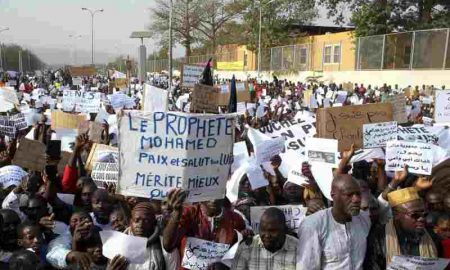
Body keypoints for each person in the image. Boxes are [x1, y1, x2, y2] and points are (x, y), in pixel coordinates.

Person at [296, 174, 370, 270]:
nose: (356, 199)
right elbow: (307, 267)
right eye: (349, 194)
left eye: (358, 194)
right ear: (333, 196)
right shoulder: (313, 225)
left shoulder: (364, 219)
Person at [163, 189, 246, 270]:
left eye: (217, 193)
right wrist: (177, 212)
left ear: (224, 192)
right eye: (209, 193)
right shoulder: (190, 213)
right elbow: (168, 246)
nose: (213, 200)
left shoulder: (235, 219)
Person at [364, 187, 438, 269]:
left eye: (424, 215)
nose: (421, 219)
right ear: (396, 215)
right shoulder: (378, 237)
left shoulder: (431, 236)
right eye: (415, 215)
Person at [232, 207, 298, 270]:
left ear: (284, 230)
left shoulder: (298, 248)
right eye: (262, 230)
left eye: (272, 231)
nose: (266, 235)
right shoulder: (246, 248)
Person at [123, 201, 173, 270]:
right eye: (136, 220)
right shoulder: (119, 244)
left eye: (146, 221)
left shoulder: (166, 247)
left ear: (154, 223)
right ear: (130, 222)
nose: (140, 225)